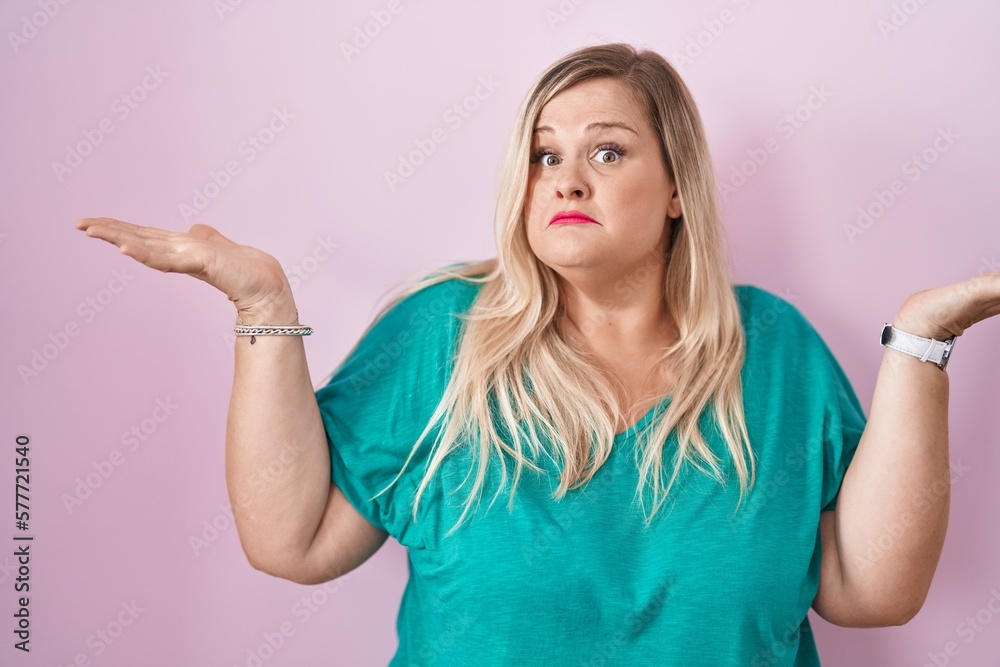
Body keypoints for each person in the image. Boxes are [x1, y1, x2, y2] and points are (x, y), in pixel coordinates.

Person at [75, 43, 998, 666]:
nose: (564, 176)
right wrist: (262, 301)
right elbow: (296, 542)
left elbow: (870, 589)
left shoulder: (778, 351)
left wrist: (924, 337)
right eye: (543, 154)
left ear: (676, 188)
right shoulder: (442, 338)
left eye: (607, 151)